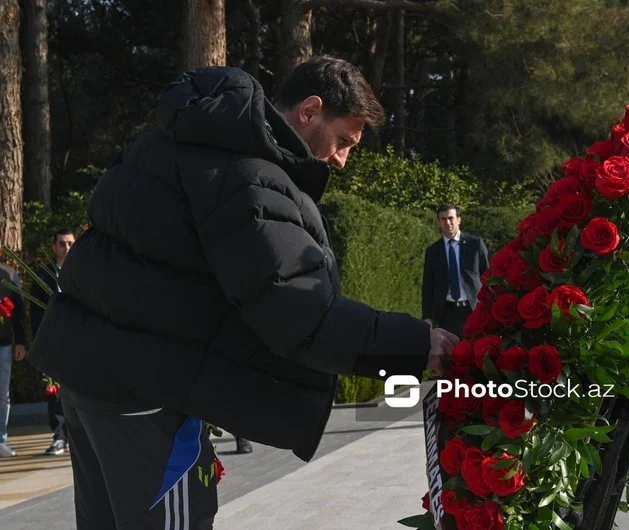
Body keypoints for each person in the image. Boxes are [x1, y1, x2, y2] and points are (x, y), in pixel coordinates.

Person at [28, 57, 457, 529]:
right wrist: (416, 343)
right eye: (343, 142)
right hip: (147, 392)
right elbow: (298, 312)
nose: (341, 160)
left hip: (88, 378)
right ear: (310, 111)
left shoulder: (168, 140)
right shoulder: (251, 178)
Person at [30, 229, 75, 456]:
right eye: (62, 244)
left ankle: (78, 436)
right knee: (55, 391)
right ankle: (59, 436)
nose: (66, 248)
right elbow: (36, 312)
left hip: (79, 341)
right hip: (53, 341)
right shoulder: (43, 275)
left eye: (70, 244)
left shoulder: (84, 271)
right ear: (54, 247)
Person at [421, 204, 490, 337]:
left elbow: (487, 277)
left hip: (473, 310)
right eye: (443, 219)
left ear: (458, 219)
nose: (447, 222)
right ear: (439, 222)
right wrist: (427, 317)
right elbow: (428, 286)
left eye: (451, 218)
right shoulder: (433, 251)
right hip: (446, 314)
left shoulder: (475, 245)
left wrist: (490, 308)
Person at [0, 258, 28, 458]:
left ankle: (1, 438)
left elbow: (19, 311)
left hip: (4, 342)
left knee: (2, 394)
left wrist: (21, 341)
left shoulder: (9, 273)